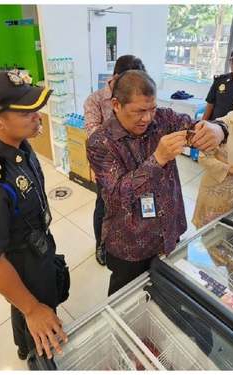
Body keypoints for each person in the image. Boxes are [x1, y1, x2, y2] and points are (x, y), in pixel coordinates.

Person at [86, 70, 229, 296]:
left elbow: (195, 128)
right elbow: (117, 194)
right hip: (131, 242)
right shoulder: (100, 142)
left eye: (151, 108)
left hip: (168, 229)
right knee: (126, 298)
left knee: (167, 289)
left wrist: (218, 129)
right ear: (116, 105)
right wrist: (158, 159)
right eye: (140, 111)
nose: (147, 118)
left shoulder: (164, 119)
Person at [0, 70, 70, 363]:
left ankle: (28, 343)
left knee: (41, 305)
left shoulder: (18, 144)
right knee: (36, 316)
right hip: (20, 265)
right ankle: (35, 354)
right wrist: (32, 309)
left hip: (37, 247)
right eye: (26, 113)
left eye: (35, 109)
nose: (38, 116)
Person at [84, 55, 146, 266]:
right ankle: (101, 244)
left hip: (139, 167)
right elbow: (94, 135)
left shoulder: (140, 97)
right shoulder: (95, 100)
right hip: (109, 169)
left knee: (134, 205)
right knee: (104, 206)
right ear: (116, 77)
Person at [193, 85, 233, 228]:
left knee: (231, 237)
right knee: (210, 237)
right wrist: (231, 169)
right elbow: (203, 157)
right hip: (216, 196)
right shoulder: (221, 127)